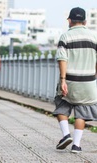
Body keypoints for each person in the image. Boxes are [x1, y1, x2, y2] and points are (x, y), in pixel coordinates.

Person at [53, 7, 97, 154]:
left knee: (61, 105)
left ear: (70, 20)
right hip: (89, 82)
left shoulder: (65, 37)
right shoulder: (94, 37)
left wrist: (63, 79)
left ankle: (66, 135)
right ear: (85, 21)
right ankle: (76, 146)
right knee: (82, 112)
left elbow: (62, 59)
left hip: (71, 80)